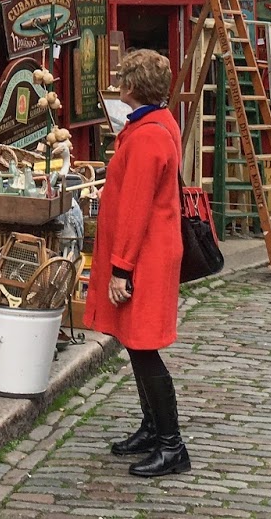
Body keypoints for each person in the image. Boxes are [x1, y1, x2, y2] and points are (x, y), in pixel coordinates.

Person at [83, 48, 190, 477]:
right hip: (152, 252)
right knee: (136, 344)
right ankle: (152, 429)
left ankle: (171, 445)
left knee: (145, 349)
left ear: (130, 86)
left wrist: (120, 269)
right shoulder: (156, 124)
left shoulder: (146, 137)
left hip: (145, 257)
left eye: (122, 78)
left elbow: (135, 208)